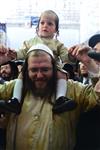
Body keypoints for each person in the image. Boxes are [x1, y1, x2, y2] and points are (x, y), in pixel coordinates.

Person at [0, 44, 99, 150]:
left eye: (45, 70)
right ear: (26, 71)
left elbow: (96, 98)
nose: (39, 75)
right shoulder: (14, 88)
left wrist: (91, 64)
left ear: (55, 69)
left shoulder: (73, 90)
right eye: (33, 70)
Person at [0, 10, 77, 114]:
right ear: (38, 27)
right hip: (30, 71)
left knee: (62, 74)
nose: (45, 26)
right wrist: (13, 54)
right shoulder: (30, 42)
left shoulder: (58, 44)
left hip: (53, 71)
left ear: (56, 30)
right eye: (42, 23)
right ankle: (15, 100)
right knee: (21, 75)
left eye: (50, 24)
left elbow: (65, 58)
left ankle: (60, 99)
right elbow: (22, 53)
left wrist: (72, 55)